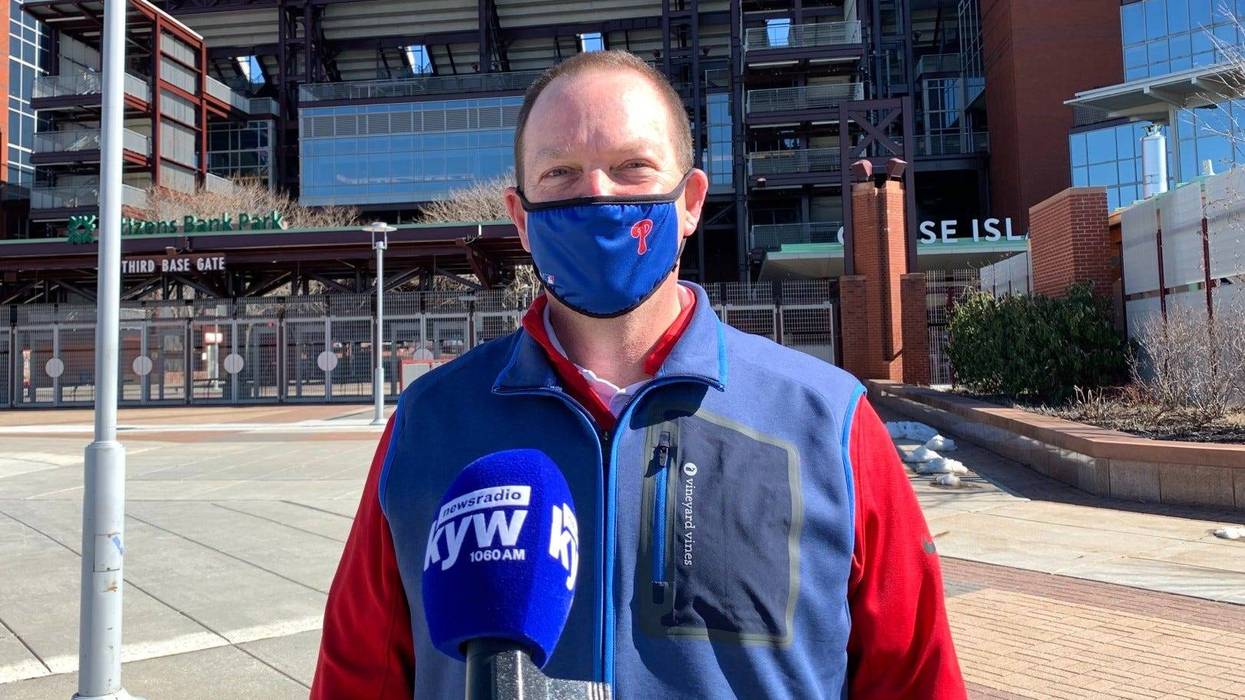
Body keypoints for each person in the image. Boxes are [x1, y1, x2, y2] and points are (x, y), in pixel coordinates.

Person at [311, 50, 966, 699]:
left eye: (631, 168)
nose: (596, 193)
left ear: (689, 202)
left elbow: (915, 677)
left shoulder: (826, 420)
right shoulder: (430, 423)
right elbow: (355, 675)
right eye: (561, 172)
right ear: (520, 218)